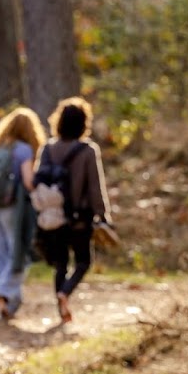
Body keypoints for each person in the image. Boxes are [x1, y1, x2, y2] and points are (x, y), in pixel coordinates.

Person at [39, 96, 113, 324]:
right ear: (83, 123)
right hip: (80, 217)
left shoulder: (48, 149)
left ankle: (61, 305)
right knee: (83, 261)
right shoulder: (88, 151)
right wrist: (104, 216)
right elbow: (95, 187)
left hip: (54, 216)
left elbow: (39, 181)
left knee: (61, 263)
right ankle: (66, 292)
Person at [0, 107, 46, 320]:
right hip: (14, 209)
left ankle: (7, 303)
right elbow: (28, 182)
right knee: (20, 254)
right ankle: (2, 291)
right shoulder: (23, 150)